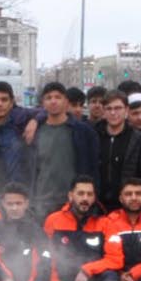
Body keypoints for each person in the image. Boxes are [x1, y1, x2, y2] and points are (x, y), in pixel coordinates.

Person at [28, 82, 97, 216]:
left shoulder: (83, 132)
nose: (53, 101)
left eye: (58, 97)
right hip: (42, 201)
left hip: (73, 202)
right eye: (48, 98)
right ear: (43, 103)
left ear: (66, 101)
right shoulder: (35, 132)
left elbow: (93, 167)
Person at [92, 93, 141, 212]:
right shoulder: (93, 136)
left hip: (128, 206)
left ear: (126, 110)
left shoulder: (137, 139)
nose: (113, 113)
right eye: (109, 109)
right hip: (97, 205)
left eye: (118, 108)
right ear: (103, 111)